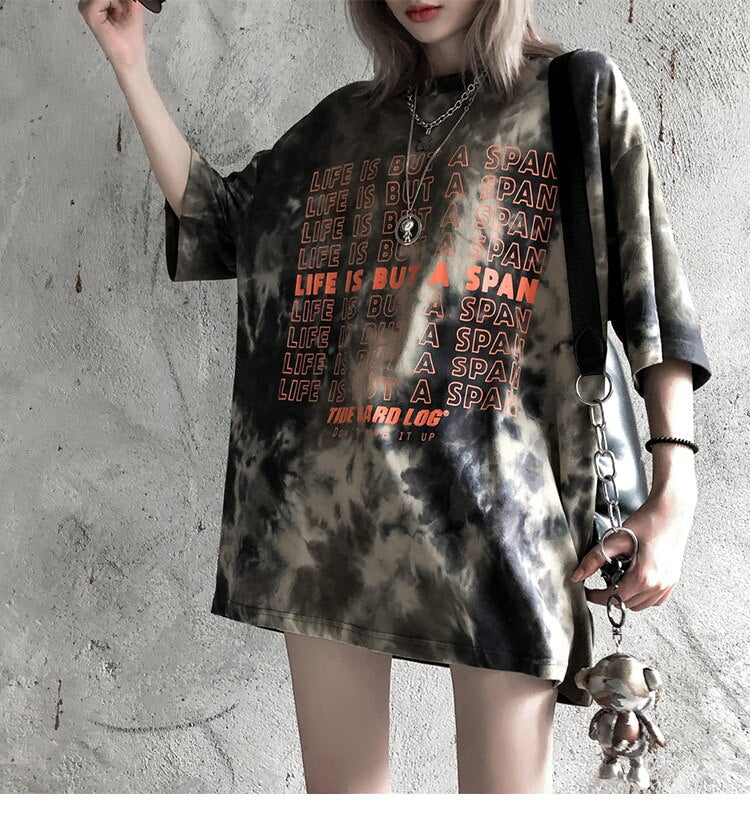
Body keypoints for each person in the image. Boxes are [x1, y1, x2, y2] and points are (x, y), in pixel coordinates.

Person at [78, 0, 712, 794]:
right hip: (329, 520)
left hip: (500, 520)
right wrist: (130, 63)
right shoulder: (345, 122)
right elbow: (226, 220)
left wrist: (674, 498)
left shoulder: (572, 95)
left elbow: (652, 302)